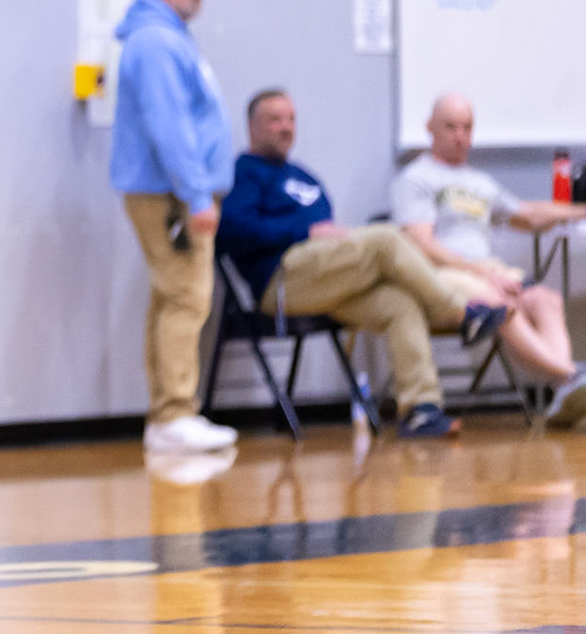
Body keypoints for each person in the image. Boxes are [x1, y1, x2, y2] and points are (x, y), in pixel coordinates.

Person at [219, 90, 511, 438]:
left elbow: (325, 229)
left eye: (291, 119)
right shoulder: (243, 173)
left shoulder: (304, 177)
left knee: (400, 304)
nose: (285, 127)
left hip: (325, 276)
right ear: (252, 126)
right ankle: (461, 313)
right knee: (386, 238)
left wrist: (327, 237)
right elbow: (233, 232)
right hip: (282, 280)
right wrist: (303, 230)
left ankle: (420, 410)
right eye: (274, 119)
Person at [110, 0, 239, 455]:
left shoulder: (166, 38)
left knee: (172, 296)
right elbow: (170, 125)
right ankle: (175, 414)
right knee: (187, 296)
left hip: (171, 191)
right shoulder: (157, 42)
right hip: (171, 195)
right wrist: (196, 195)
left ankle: (168, 414)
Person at [391, 94, 586, 427]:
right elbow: (421, 245)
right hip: (441, 274)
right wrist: (481, 273)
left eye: (467, 127)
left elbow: (527, 215)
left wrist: (579, 211)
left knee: (545, 299)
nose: (460, 136)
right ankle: (569, 377)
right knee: (499, 305)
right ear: (430, 128)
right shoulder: (415, 178)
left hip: (488, 271)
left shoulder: (478, 182)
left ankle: (565, 388)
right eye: (451, 127)